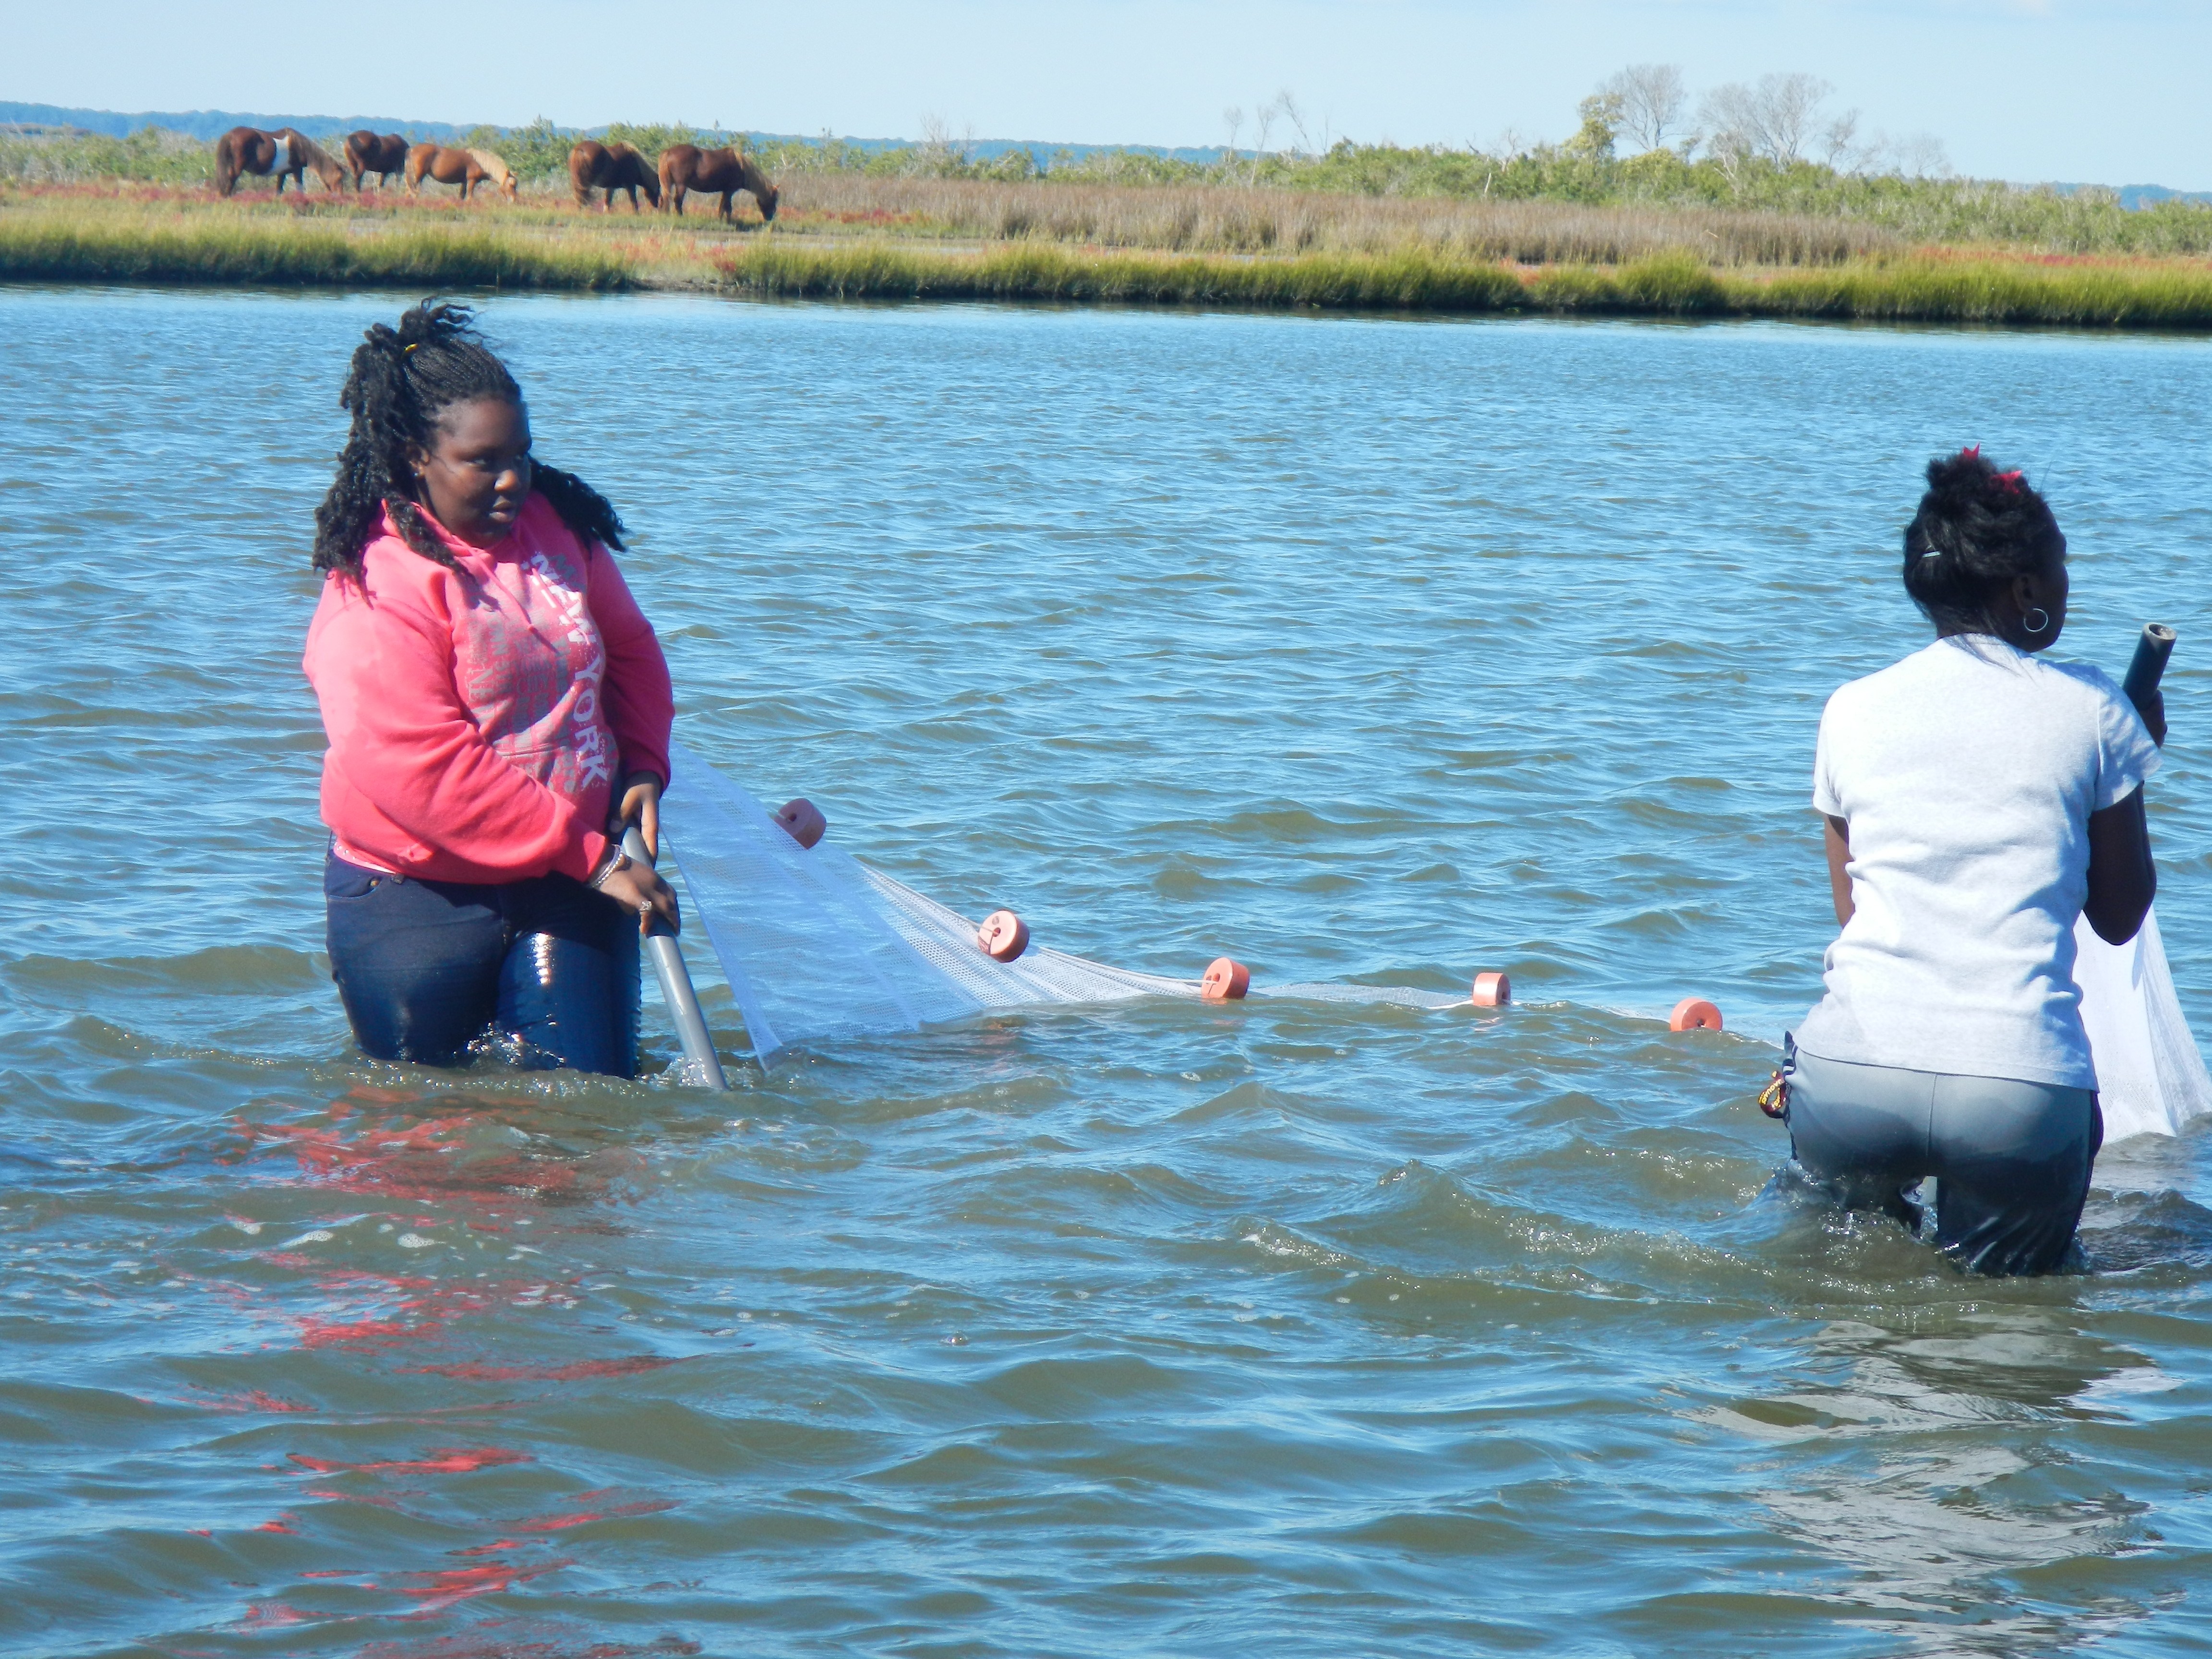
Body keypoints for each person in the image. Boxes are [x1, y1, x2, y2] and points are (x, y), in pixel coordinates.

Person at [1780, 447, 2164, 1275]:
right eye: (2060, 571)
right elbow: (2120, 914)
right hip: (2017, 1092)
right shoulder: (2096, 707)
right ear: (2024, 588)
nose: (2067, 587)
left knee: (1839, 1295)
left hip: (1852, 1073)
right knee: (2002, 1341)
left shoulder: (1849, 708)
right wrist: (2130, 762)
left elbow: (1857, 917)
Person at [304, 300, 681, 1077]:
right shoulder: (380, 581)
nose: (514, 480)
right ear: (416, 456)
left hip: (569, 882)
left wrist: (644, 762)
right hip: (416, 900)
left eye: (524, 454)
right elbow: (420, 768)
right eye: (484, 461)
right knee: (424, 1142)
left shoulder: (555, 528)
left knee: (590, 1119)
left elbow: (633, 649)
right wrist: (594, 859)